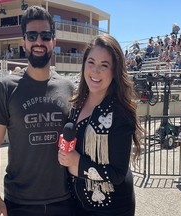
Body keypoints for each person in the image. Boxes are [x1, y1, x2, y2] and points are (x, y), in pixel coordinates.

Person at [0, 6, 75, 216]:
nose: (39, 42)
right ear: (23, 42)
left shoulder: (68, 88)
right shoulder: (6, 88)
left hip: (63, 201)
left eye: (45, 36)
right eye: (32, 36)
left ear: (53, 41)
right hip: (19, 203)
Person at [58, 34, 143, 216]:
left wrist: (77, 163)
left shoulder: (120, 113)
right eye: (91, 62)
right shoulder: (76, 103)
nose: (95, 71)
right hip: (76, 203)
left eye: (104, 65)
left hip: (113, 209)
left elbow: (118, 173)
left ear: (115, 70)